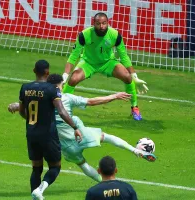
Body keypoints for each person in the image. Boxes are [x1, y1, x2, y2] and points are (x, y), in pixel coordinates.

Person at [9, 74, 156, 184]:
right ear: (59, 86)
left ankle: (105, 184)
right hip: (78, 133)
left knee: (82, 163)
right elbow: (92, 101)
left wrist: (15, 106)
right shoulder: (66, 98)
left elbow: (24, 106)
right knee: (106, 137)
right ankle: (135, 150)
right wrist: (114, 96)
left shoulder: (42, 101)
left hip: (61, 143)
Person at [62, 12, 149, 121]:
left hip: (108, 63)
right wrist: (65, 74)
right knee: (73, 79)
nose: (101, 26)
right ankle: (61, 106)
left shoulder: (115, 35)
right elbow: (73, 56)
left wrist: (134, 76)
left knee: (127, 76)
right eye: (98, 23)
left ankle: (135, 107)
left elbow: (124, 56)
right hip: (88, 63)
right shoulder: (84, 35)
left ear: (108, 23)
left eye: (104, 23)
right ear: (94, 24)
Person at [16, 60, 82, 200]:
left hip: (31, 133)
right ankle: (40, 189)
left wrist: (32, 120)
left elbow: (22, 111)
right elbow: (62, 112)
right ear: (47, 72)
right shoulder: (52, 89)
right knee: (55, 167)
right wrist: (75, 127)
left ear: (34, 70)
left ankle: (35, 195)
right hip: (48, 135)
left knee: (36, 168)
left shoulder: (25, 88)